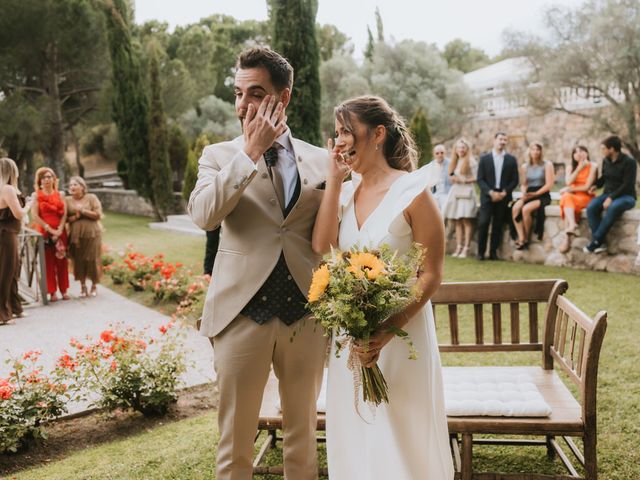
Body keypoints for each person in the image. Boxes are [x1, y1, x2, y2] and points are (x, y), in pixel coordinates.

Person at [188, 47, 329, 480]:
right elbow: (205, 215)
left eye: (255, 93)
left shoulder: (319, 160)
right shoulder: (218, 155)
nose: (242, 105)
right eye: (237, 93)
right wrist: (248, 153)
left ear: (283, 98)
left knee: (303, 434)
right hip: (239, 315)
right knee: (235, 441)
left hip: (306, 315)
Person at [312, 95, 454, 480]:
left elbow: (431, 273)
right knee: (357, 432)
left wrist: (386, 331)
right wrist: (335, 179)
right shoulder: (345, 192)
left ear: (377, 134)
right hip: (351, 340)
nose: (340, 141)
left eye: (347, 131)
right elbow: (323, 246)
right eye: (337, 132)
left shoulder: (413, 191)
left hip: (401, 336)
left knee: (401, 431)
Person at [584, 135, 637, 254]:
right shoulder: (606, 161)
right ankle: (599, 243)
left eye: (603, 148)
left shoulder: (629, 162)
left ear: (612, 149)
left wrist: (611, 198)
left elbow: (627, 185)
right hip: (607, 194)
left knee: (613, 207)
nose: (602, 151)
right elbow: (604, 178)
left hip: (626, 197)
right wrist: (596, 185)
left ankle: (596, 241)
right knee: (591, 207)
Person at [476, 132, 519, 260]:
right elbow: (480, 179)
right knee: (483, 223)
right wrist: (491, 193)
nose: (502, 142)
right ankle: (480, 253)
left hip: (503, 196)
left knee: (498, 225)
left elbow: (515, 180)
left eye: (505, 140)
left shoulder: (511, 160)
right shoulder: (485, 158)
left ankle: (493, 253)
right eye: (500, 139)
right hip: (487, 196)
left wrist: (504, 192)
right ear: (494, 140)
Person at [0, 158, 32, 325]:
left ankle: (15, 307)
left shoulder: (6, 188)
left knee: (12, 271)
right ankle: (2, 314)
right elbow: (19, 213)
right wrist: (29, 205)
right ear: (12, 170)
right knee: (5, 273)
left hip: (8, 233)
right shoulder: (7, 189)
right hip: (6, 235)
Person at [31, 167, 69, 302]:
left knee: (61, 261)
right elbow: (35, 216)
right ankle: (52, 292)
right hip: (45, 233)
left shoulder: (61, 194)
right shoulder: (36, 195)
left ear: (54, 179)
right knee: (48, 263)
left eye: (49, 176)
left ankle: (64, 290)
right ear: (40, 180)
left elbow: (64, 214)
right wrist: (49, 229)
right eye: (44, 177)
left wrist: (59, 230)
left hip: (60, 232)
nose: (47, 179)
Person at [511, 143, 555, 249]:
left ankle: (526, 238)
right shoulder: (524, 166)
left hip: (542, 194)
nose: (535, 152)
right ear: (529, 151)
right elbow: (523, 184)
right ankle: (521, 236)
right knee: (515, 208)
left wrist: (536, 194)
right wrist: (524, 192)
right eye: (533, 149)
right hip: (529, 193)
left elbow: (549, 184)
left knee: (526, 209)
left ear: (541, 152)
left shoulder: (547, 165)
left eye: (538, 149)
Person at [65, 176, 104, 298]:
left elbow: (98, 215)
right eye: (70, 185)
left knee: (92, 259)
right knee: (78, 260)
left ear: (82, 187)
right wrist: (76, 217)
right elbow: (65, 219)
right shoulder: (67, 200)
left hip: (92, 234)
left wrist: (83, 211)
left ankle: (94, 285)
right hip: (75, 235)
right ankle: (83, 286)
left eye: (75, 185)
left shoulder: (91, 198)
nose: (72, 187)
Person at [443, 138, 478, 258]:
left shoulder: (471, 161)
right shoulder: (455, 161)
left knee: (466, 220)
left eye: (463, 147)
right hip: (456, 192)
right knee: (457, 220)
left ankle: (466, 248)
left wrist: (464, 180)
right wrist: (453, 179)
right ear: (455, 149)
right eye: (458, 147)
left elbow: (476, 177)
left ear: (467, 149)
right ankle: (459, 246)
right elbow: (451, 176)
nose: (461, 149)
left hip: (467, 192)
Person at [557, 146, 596, 253]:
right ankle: (572, 224)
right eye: (575, 152)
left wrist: (569, 189)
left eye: (582, 151)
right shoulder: (570, 167)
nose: (578, 154)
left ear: (587, 153)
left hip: (586, 196)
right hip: (572, 196)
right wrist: (579, 168)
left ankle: (567, 239)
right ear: (573, 156)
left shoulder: (593, 166)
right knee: (566, 197)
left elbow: (587, 187)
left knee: (566, 198)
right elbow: (568, 182)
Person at [431, 144, 451, 211]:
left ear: (445, 153)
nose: (440, 155)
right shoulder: (432, 164)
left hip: (447, 193)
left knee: (444, 213)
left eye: (442, 153)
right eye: (437, 153)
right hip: (435, 194)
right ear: (434, 154)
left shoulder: (450, 163)